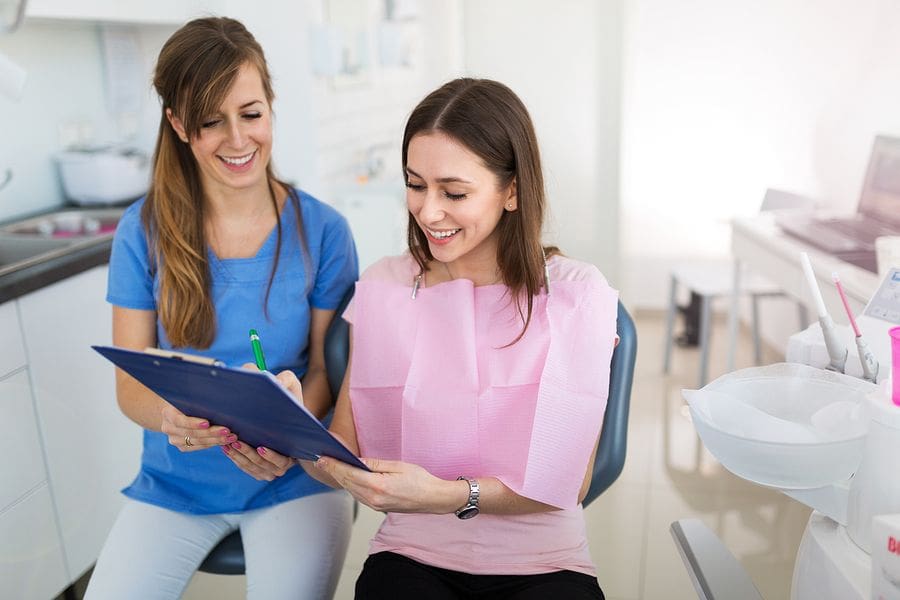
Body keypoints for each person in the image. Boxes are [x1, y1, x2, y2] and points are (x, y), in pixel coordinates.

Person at [295, 78, 619, 599]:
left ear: (512, 190)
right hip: (410, 556)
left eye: (454, 192)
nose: (427, 211)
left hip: (544, 562)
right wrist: (290, 429)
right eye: (415, 184)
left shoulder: (575, 295)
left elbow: (567, 483)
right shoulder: (387, 285)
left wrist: (447, 495)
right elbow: (343, 450)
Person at [85, 17, 358, 600]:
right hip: (175, 484)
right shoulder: (143, 231)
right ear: (180, 125)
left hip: (293, 478)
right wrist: (169, 418)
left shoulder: (326, 233)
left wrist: (285, 430)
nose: (238, 140)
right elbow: (131, 383)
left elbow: (325, 375)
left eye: (251, 114)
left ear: (271, 107)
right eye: (212, 122)